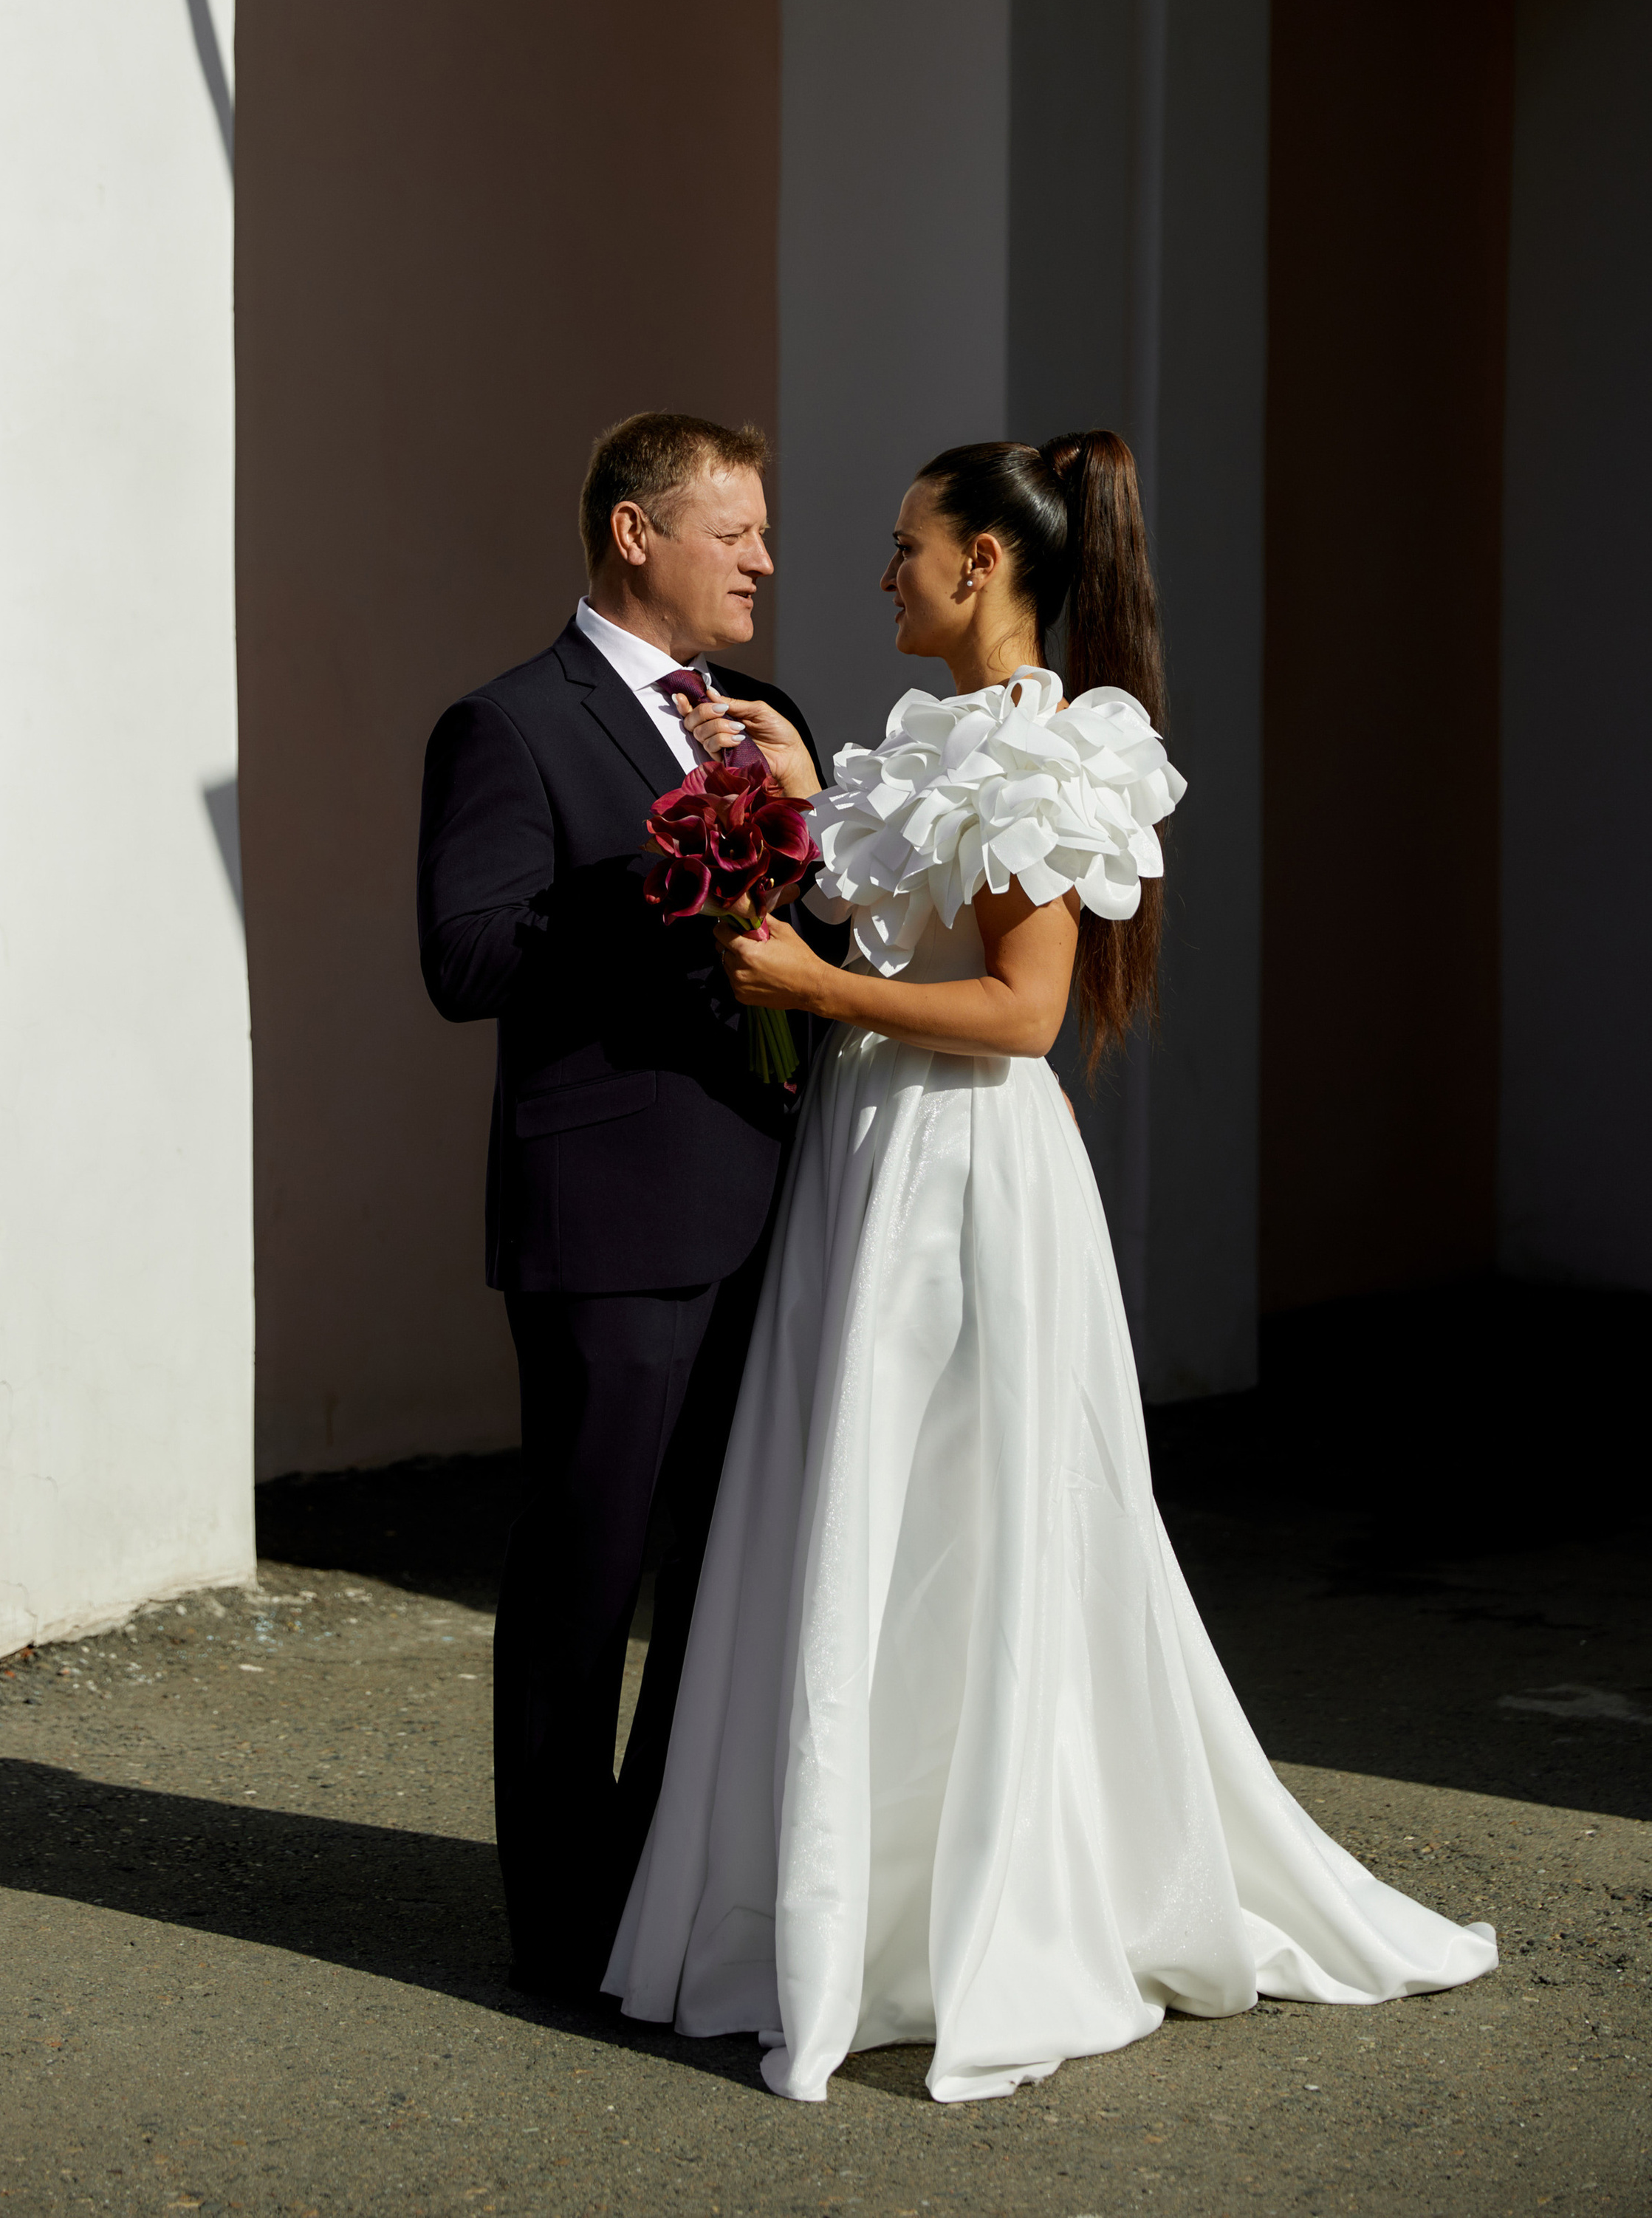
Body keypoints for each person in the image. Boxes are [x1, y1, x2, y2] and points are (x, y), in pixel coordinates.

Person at [605, 431, 1497, 2100]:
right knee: (870, 1520)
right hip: (875, 1169)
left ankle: (979, 1908)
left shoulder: (1042, 758)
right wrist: (804, 798)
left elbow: (1022, 1016)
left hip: (958, 1178)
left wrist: (815, 993)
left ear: (985, 567)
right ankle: (853, 1905)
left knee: (961, 1524)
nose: (876, 575)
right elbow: (917, 909)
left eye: (899, 547)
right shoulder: (941, 743)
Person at [417, 411, 832, 1999]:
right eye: (735, 533)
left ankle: (662, 1891)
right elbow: (464, 959)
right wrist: (662, 883)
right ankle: (559, 1928)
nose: (765, 562)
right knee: (586, 1575)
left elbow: (823, 947)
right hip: (608, 1222)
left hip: (771, 1201)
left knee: (729, 1579)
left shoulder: (767, 716)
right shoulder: (507, 724)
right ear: (634, 534)